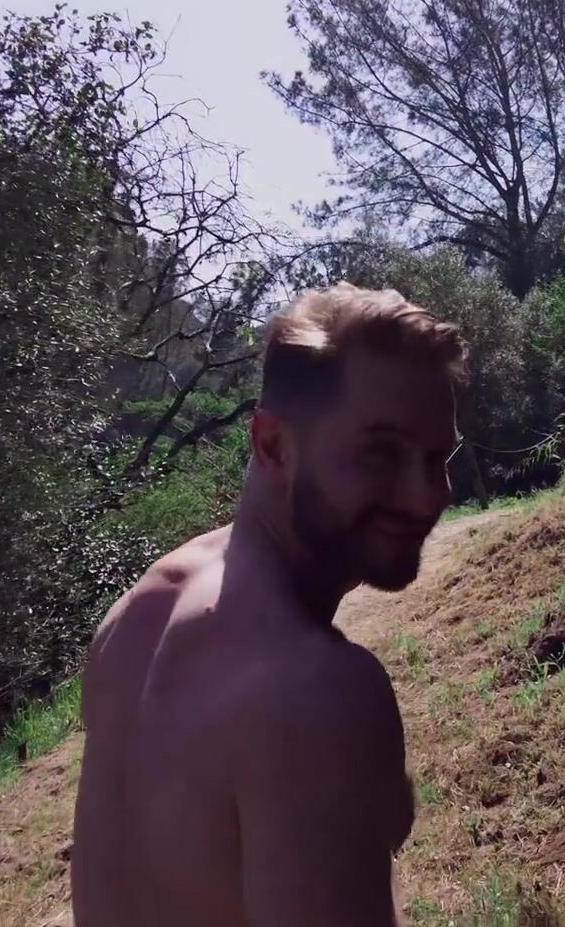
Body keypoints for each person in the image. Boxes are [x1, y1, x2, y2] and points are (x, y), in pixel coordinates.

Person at [71, 283, 468, 927]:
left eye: (436, 458)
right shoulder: (316, 690)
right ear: (273, 446)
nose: (426, 497)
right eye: (380, 454)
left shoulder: (135, 613)